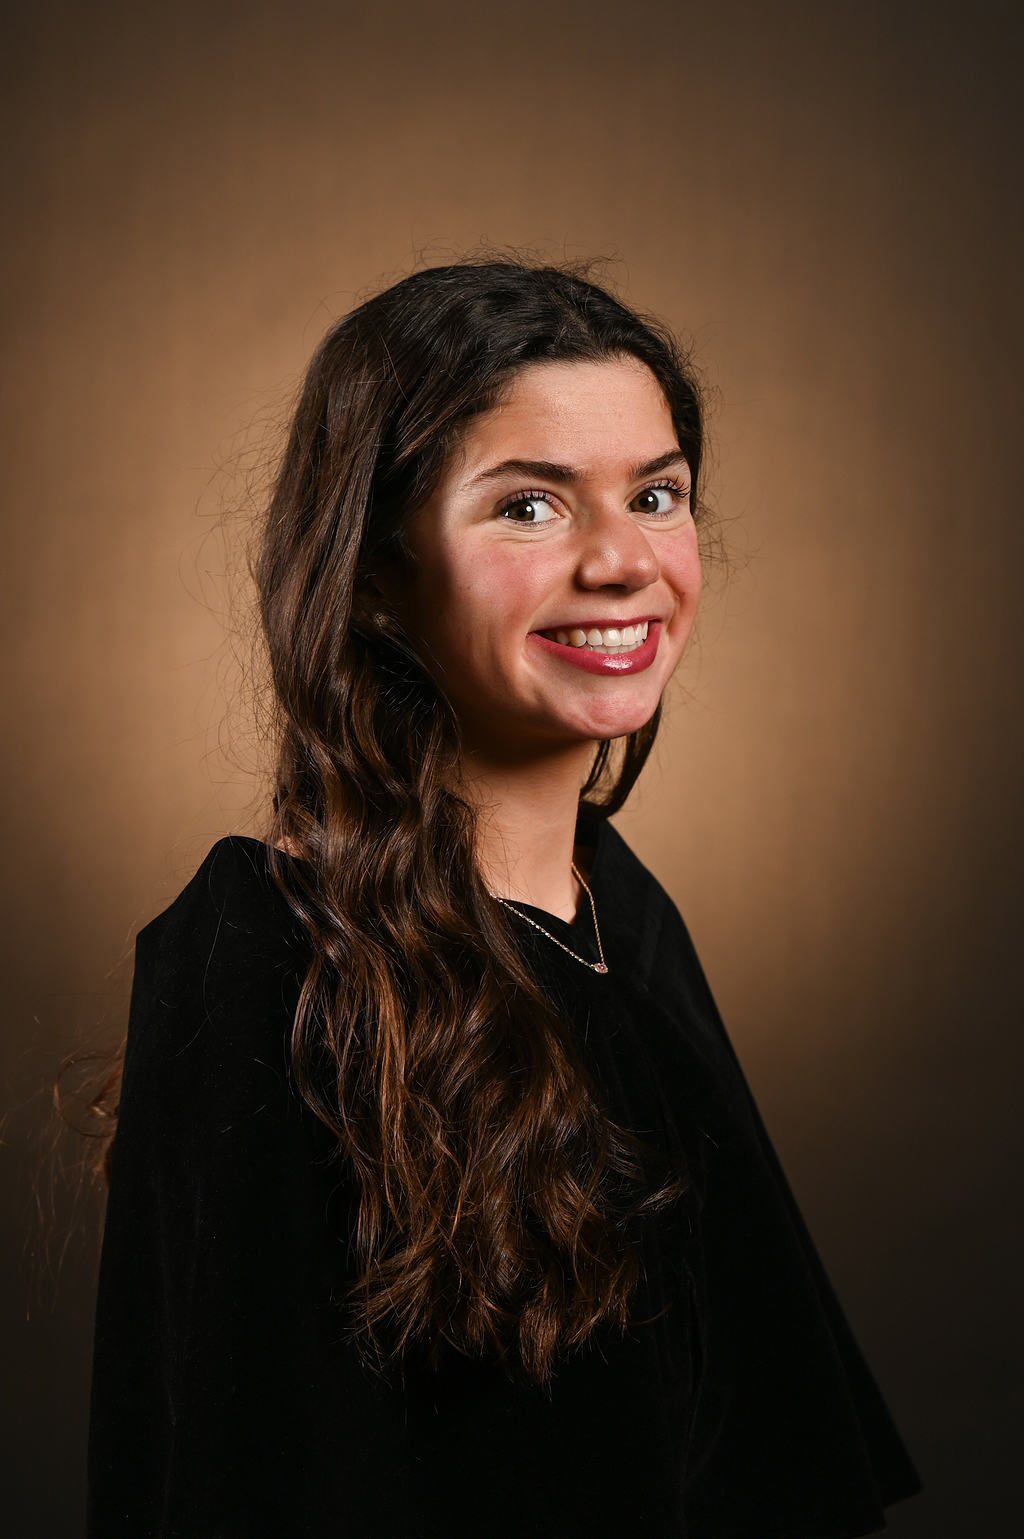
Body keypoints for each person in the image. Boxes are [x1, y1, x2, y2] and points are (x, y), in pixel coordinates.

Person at [87, 259, 921, 1538]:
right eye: (529, 507)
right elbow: (233, 1484)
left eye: (655, 495)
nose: (622, 561)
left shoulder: (624, 920)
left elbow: (762, 1450)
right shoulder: (262, 956)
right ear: (376, 574)